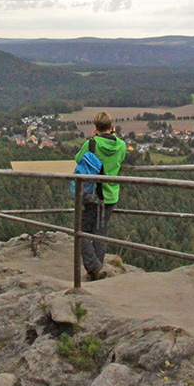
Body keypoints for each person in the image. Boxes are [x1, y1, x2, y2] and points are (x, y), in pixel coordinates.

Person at [75, 111, 126, 280]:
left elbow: (78, 159)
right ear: (112, 127)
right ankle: (97, 269)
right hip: (110, 195)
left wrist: (92, 140)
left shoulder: (92, 144)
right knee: (100, 232)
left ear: (95, 127)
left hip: (93, 195)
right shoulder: (121, 145)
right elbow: (120, 161)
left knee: (81, 231)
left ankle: (95, 268)